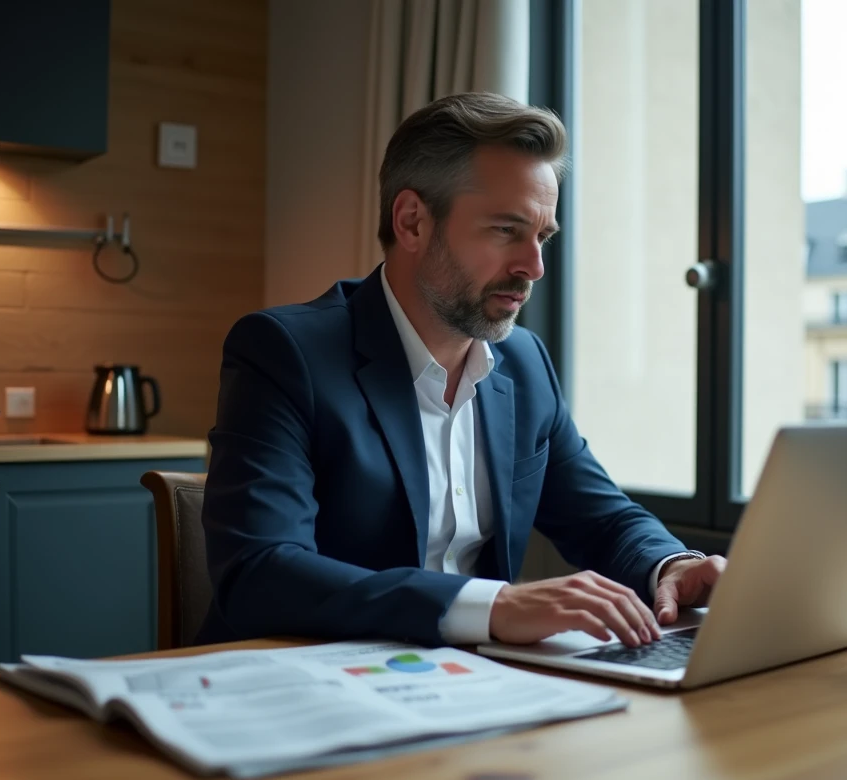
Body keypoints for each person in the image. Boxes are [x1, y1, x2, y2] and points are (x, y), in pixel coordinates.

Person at [198, 92, 726, 649]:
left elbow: (601, 517)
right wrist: (492, 605)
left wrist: (670, 564)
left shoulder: (524, 364)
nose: (534, 267)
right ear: (412, 222)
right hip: (307, 682)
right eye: (505, 230)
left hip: (473, 686)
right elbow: (260, 573)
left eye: (541, 237)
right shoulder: (286, 353)